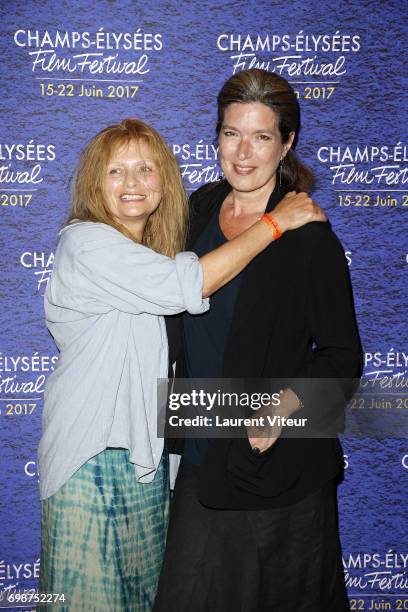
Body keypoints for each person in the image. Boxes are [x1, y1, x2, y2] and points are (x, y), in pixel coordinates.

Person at [38, 117, 324, 611]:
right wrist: (275, 222)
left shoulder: (157, 251)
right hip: (92, 455)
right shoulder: (84, 243)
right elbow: (184, 286)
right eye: (115, 171)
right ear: (93, 183)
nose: (131, 183)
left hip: (152, 463)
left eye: (145, 169)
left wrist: (284, 411)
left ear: (164, 180)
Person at [153, 70, 362, 612]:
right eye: (230, 134)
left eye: (261, 137)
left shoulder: (308, 235)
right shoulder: (196, 209)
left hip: (276, 470)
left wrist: (282, 411)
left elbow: (343, 356)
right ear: (217, 136)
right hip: (200, 453)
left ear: (286, 142)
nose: (243, 153)